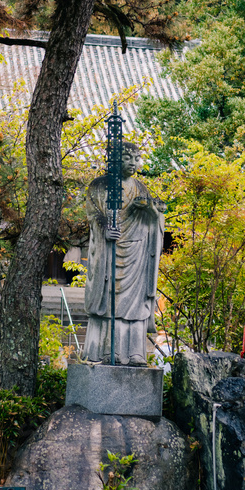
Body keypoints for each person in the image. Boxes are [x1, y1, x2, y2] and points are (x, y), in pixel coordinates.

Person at [83, 141, 165, 366]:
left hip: (137, 251)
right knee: (109, 301)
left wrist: (152, 211)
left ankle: (135, 353)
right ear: (114, 159)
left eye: (136, 158)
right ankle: (106, 351)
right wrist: (104, 229)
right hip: (109, 250)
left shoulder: (140, 188)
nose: (133, 163)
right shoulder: (99, 186)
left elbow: (155, 219)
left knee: (136, 305)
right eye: (127, 158)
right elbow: (93, 215)